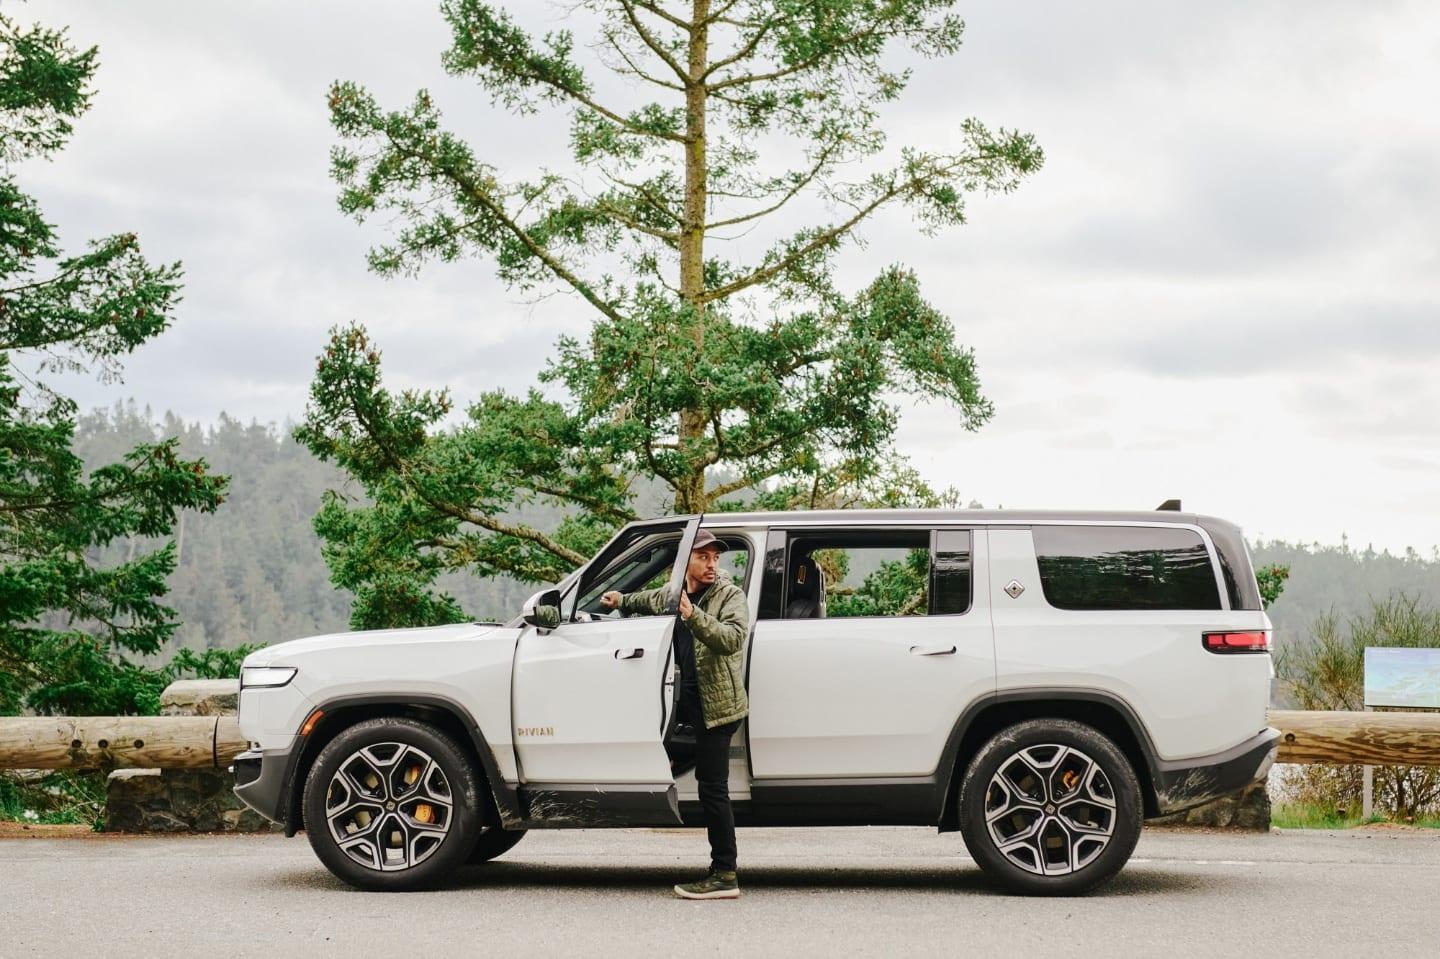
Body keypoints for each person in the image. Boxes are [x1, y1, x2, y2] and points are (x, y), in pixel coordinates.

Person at [601, 528, 749, 900]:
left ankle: (725, 874)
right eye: (704, 557)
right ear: (688, 562)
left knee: (713, 787)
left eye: (716, 557)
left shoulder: (729, 595)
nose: (712, 564)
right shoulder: (675, 594)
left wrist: (692, 615)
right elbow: (651, 600)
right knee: (700, 779)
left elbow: (732, 638)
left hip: (719, 707)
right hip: (688, 703)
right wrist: (622, 598)